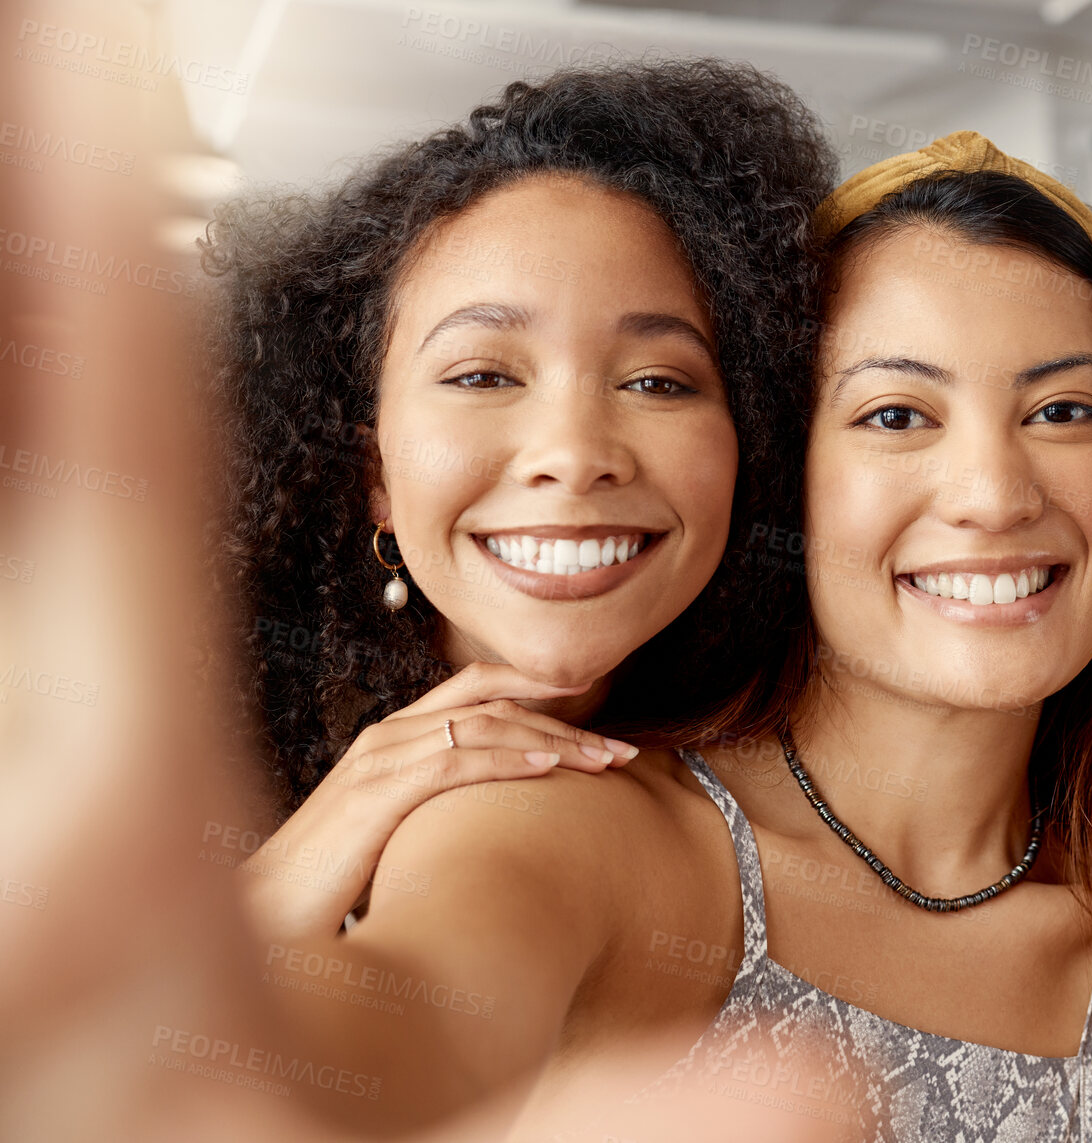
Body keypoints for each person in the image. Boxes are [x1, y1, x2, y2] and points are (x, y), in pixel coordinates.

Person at [291, 132, 1092, 1141]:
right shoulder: (585, 831)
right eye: (894, 416)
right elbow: (395, 1033)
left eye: (1061, 411)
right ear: (785, 472)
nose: (994, 497)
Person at [204, 60, 834, 948]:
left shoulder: (796, 805)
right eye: (483, 375)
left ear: (751, 448)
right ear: (371, 472)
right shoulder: (170, 764)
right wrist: (305, 854)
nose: (574, 458)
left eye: (657, 381)